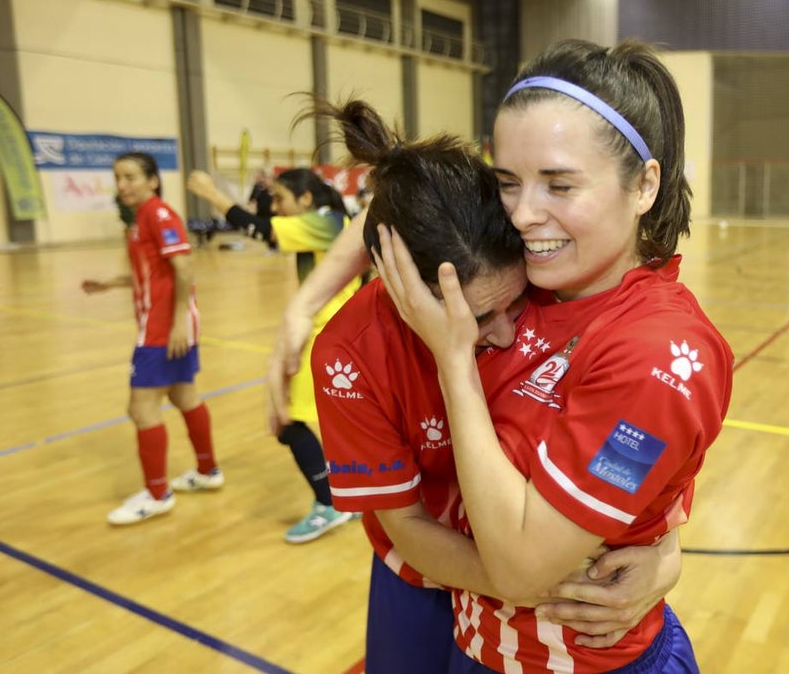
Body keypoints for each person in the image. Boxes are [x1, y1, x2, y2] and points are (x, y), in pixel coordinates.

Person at [374, 38, 734, 673]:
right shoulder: (520, 288)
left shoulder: (660, 353)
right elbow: (404, 208)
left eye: (560, 184)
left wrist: (454, 362)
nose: (523, 214)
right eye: (508, 183)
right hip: (473, 648)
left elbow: (519, 570)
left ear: (644, 184)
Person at [305, 98, 684, 672]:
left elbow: (643, 440)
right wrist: (532, 580)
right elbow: (406, 526)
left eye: (515, 302)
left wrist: (665, 554)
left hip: (540, 578)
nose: (507, 334)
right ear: (401, 286)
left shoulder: (551, 280)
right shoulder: (350, 355)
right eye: (479, 320)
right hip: (429, 572)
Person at [187, 166, 360, 543]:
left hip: (324, 338)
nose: (277, 208)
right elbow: (267, 230)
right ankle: (357, 493)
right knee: (340, 424)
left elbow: (260, 229)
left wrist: (211, 194)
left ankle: (329, 503)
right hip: (339, 337)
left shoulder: (325, 223)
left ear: (306, 199)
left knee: (287, 422)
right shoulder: (332, 221)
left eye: (281, 199)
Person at [82, 152, 222, 525]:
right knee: (183, 395)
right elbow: (154, 272)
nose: (122, 184)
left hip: (163, 327)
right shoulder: (140, 219)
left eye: (130, 177)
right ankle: (208, 471)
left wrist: (177, 321)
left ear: (152, 181)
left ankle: (157, 493)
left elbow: (184, 265)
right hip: (164, 322)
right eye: (118, 177)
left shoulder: (158, 214)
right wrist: (109, 284)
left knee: (141, 408)